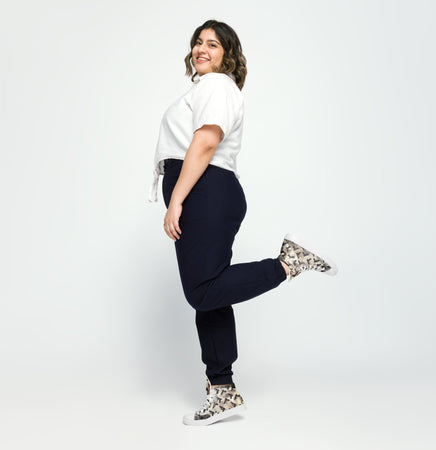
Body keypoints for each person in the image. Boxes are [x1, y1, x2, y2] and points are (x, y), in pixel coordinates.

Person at [148, 19, 338, 426]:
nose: (202, 49)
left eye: (213, 44)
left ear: (227, 55)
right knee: (212, 290)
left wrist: (176, 199)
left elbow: (206, 141)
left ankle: (288, 263)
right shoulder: (205, 87)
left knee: (202, 291)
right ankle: (222, 389)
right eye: (198, 42)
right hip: (206, 190)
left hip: (203, 189)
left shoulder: (217, 85)